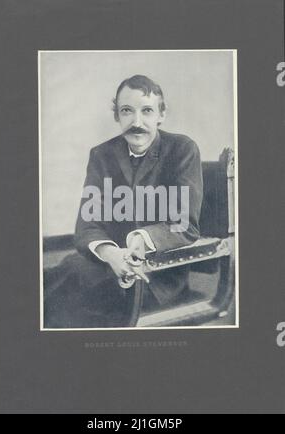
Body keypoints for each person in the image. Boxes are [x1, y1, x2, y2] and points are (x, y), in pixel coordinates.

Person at [44, 74, 203, 328]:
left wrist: (138, 241)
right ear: (117, 115)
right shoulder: (101, 155)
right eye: (127, 111)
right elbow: (87, 225)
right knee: (50, 282)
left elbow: (184, 225)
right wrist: (110, 253)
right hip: (106, 263)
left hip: (155, 274)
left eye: (147, 111)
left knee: (64, 292)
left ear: (161, 114)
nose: (136, 122)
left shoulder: (182, 150)